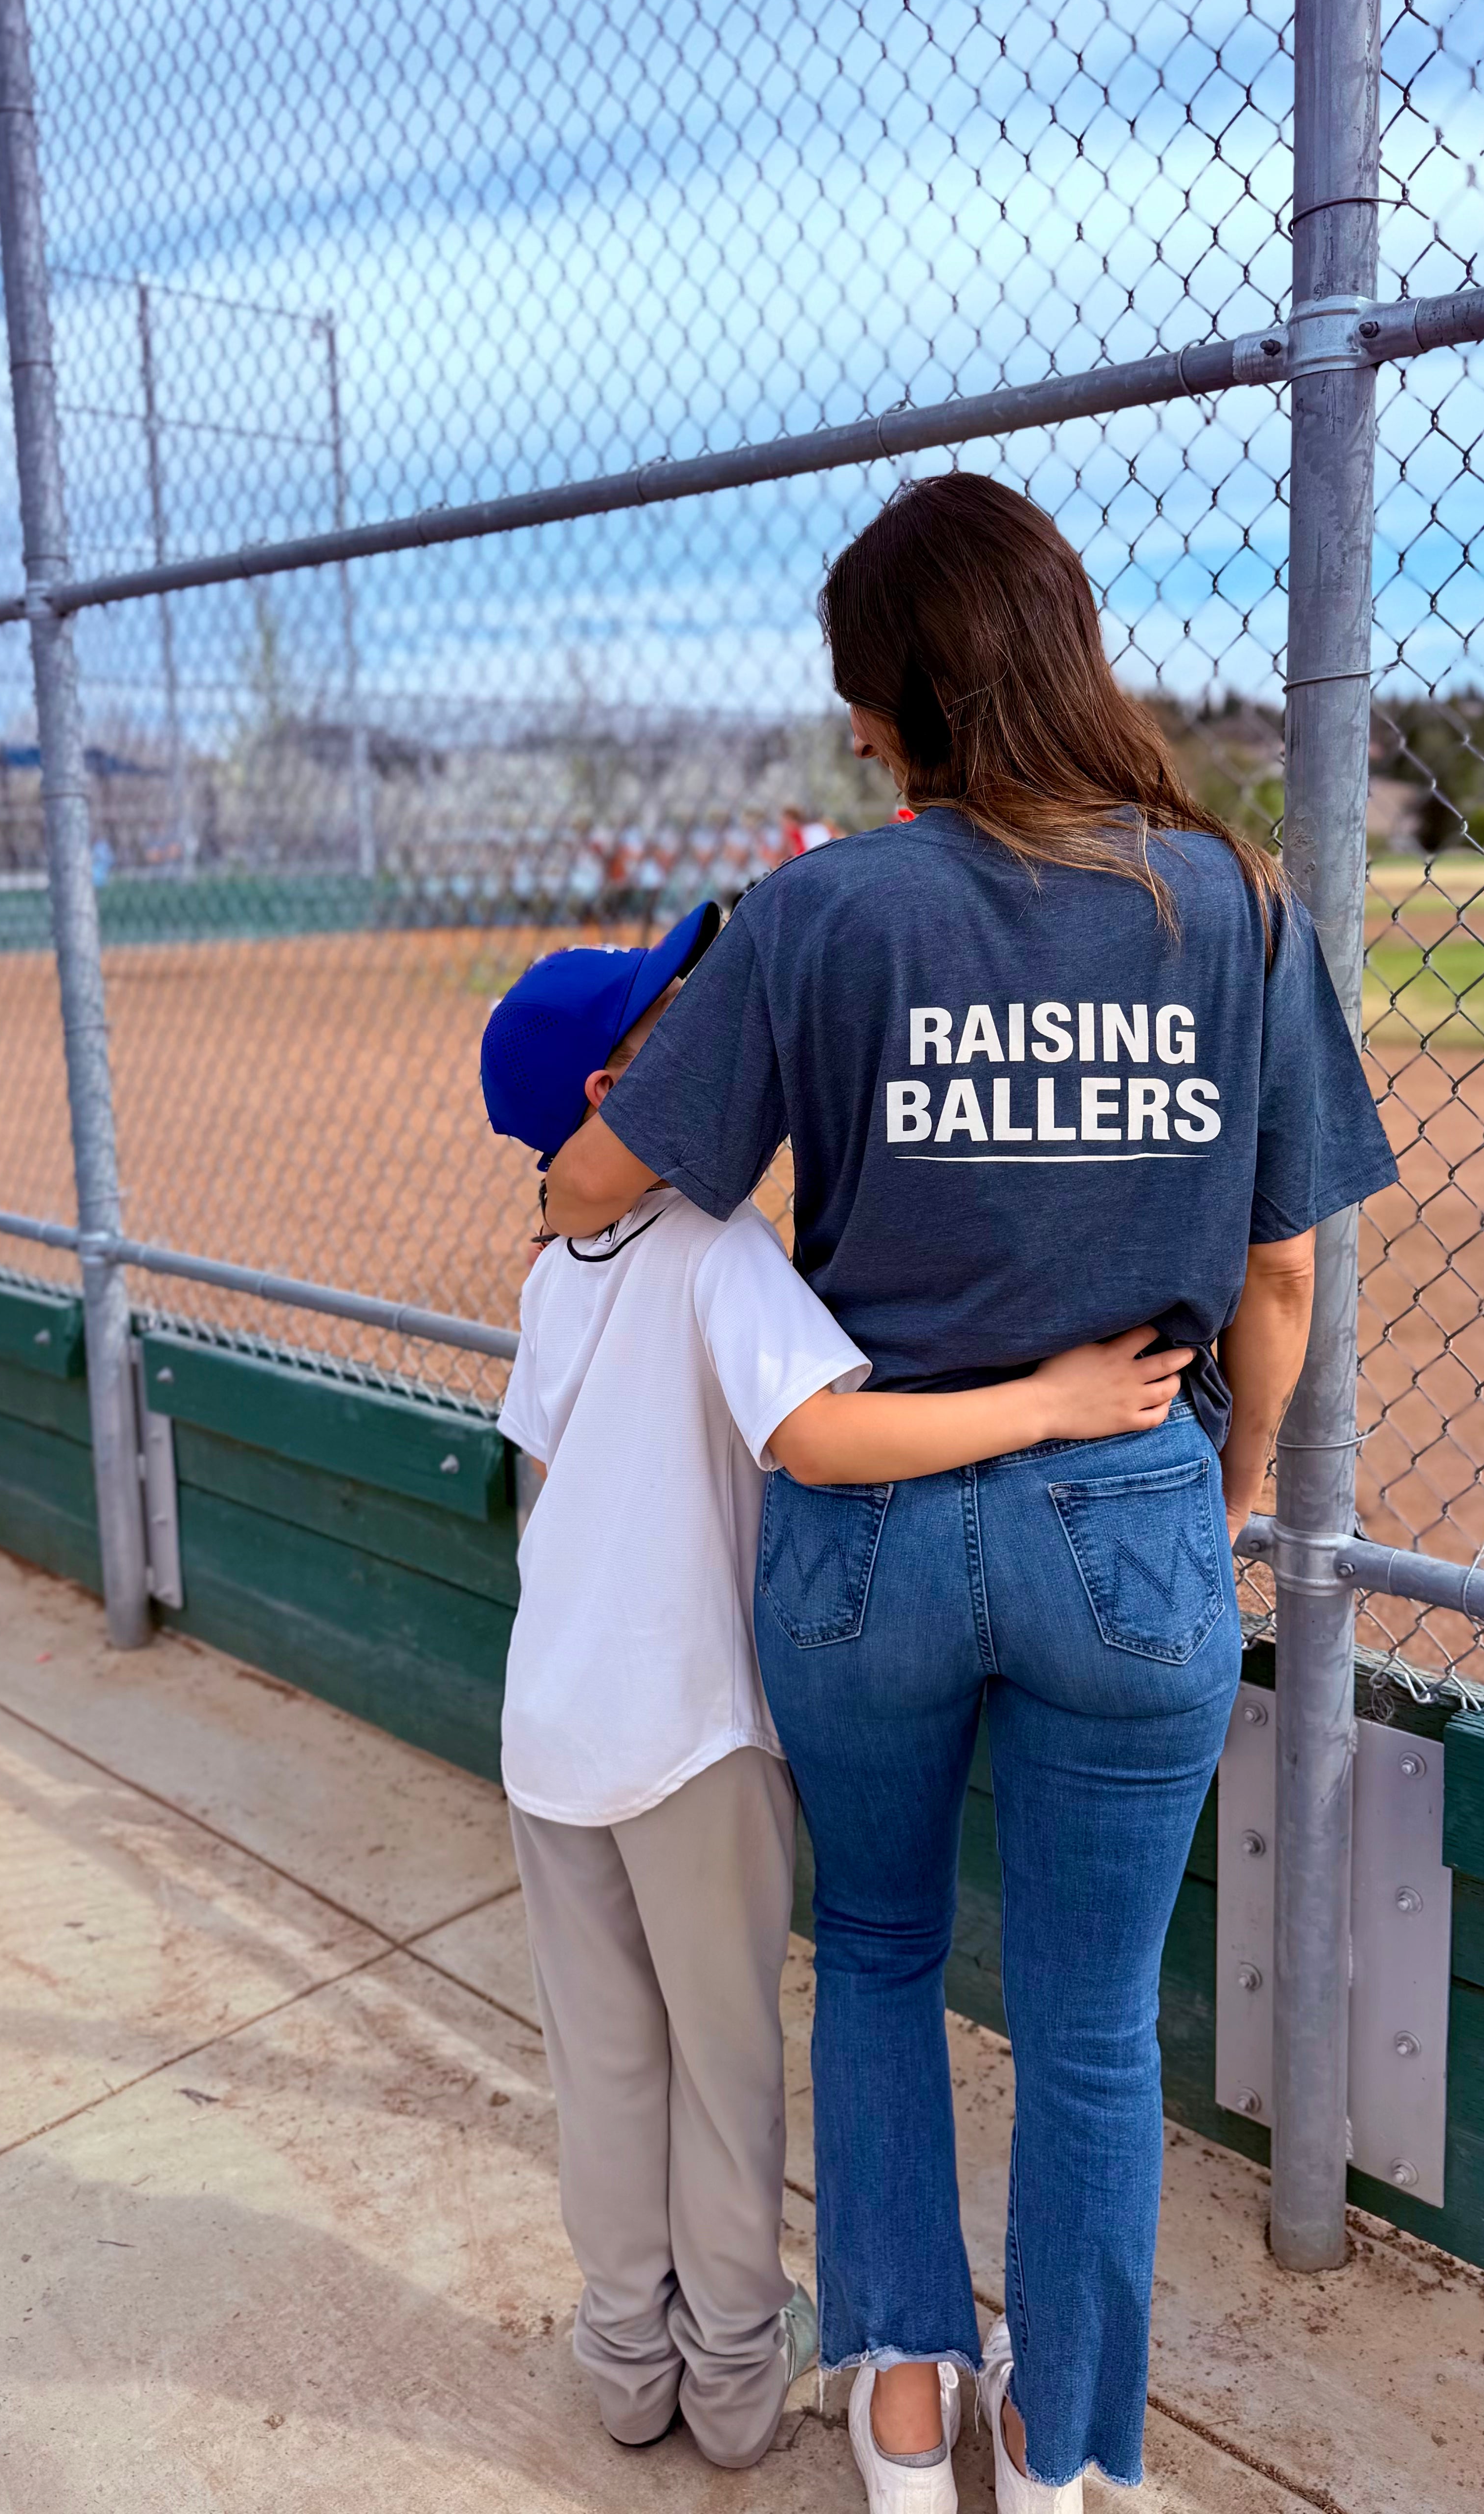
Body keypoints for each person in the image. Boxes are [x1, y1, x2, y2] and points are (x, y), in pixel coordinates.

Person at [541, 475, 1399, 2511]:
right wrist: (1233, 1480)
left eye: (865, 703)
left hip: (876, 1527)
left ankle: (907, 2412)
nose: (857, 735)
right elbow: (1284, 1270)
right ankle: (1069, 2442)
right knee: (1096, 2026)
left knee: (882, 1952)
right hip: (1134, 1510)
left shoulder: (825, 910)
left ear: (898, 703)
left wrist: (708, 1009)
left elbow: (597, 1188)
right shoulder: (1233, 906)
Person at [479, 907, 1198, 2476]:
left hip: (550, 1730)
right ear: (624, 1091)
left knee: (604, 2064)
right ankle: (736, 2382)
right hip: (689, 1740)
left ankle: (624, 2362)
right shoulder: (715, 1252)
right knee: (723, 2069)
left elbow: (541, 1476)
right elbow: (824, 1440)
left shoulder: (556, 1273)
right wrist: (1051, 1401)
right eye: (685, 1034)